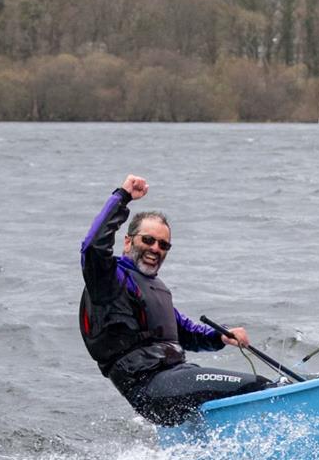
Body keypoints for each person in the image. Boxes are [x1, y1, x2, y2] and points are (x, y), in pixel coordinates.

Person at [80, 174, 273, 425]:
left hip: (175, 380)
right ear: (127, 243)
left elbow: (187, 332)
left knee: (232, 391)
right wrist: (122, 196)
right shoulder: (109, 281)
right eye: (148, 240)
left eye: (163, 245)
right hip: (149, 388)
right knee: (261, 386)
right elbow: (93, 247)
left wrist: (220, 336)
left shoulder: (155, 288)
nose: (155, 248)